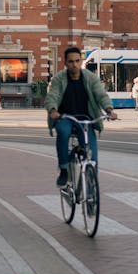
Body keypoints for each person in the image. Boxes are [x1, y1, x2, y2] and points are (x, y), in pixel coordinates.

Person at [45, 45, 117, 187]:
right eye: (71, 62)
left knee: (92, 153)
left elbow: (100, 94)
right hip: (65, 117)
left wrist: (109, 109)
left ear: (81, 62)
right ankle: (64, 169)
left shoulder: (90, 78)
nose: (75, 65)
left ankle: (91, 188)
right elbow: (52, 95)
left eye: (77, 61)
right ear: (65, 63)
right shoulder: (59, 78)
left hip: (86, 119)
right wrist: (53, 110)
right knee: (63, 132)